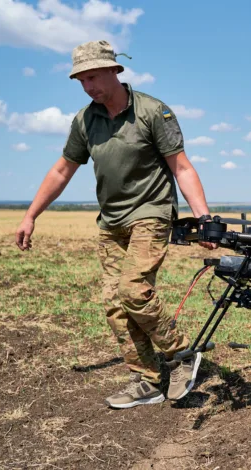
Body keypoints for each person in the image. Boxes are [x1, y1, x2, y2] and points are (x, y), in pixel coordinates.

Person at [14, 40, 217, 410]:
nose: (88, 86)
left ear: (114, 71)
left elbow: (181, 167)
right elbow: (62, 170)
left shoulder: (153, 112)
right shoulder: (85, 121)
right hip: (111, 222)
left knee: (133, 290)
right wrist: (31, 215)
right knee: (115, 303)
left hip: (152, 213)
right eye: (81, 80)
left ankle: (181, 353)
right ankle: (148, 380)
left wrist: (204, 218)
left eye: (93, 76)